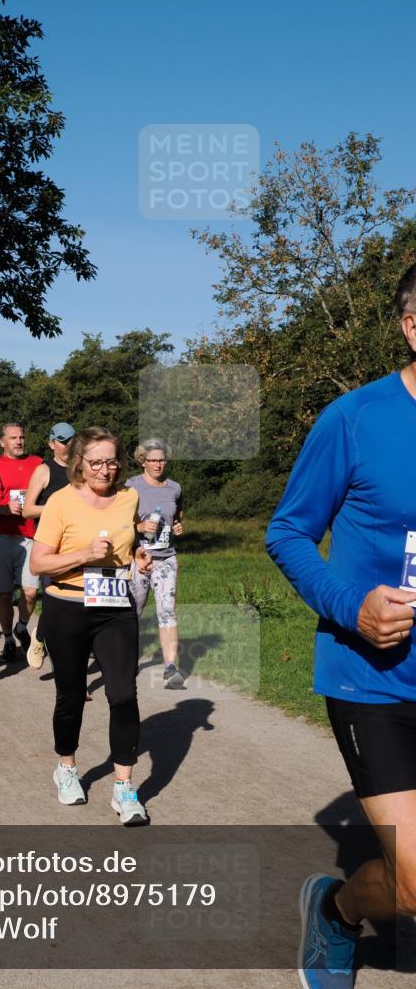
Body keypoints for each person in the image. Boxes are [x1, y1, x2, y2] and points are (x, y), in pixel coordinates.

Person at [266, 263, 416, 989]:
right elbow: (289, 532)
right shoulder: (354, 418)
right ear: (412, 326)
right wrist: (350, 604)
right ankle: (337, 914)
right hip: (373, 677)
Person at [30, 426, 153, 825]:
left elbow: (126, 541)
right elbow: (38, 563)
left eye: (112, 461)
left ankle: (124, 788)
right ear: (79, 464)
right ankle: (66, 767)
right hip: (66, 606)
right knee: (70, 695)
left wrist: (138, 556)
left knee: (122, 694)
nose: (105, 469)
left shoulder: (129, 497)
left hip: (115, 606)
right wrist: (82, 554)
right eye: (97, 462)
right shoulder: (61, 502)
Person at [0, 421, 42, 661]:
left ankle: (21, 627)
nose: (19, 441)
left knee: (31, 591)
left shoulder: (37, 463)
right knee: (4, 594)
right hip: (0, 535)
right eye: (13, 438)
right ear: (2, 442)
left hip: (30, 535)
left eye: (21, 437)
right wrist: (2, 509)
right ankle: (7, 639)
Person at [126, 439, 185, 688]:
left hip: (166, 558)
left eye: (162, 460)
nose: (158, 464)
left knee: (167, 610)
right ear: (143, 462)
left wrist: (180, 526)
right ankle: (125, 659)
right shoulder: (132, 486)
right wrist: (139, 527)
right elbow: (120, 522)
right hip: (139, 558)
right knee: (132, 612)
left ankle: (171, 668)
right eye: (153, 460)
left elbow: (178, 516)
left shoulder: (174, 488)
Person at [22, 421, 76, 668]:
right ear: (51, 443)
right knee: (55, 604)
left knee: (77, 606)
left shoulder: (82, 469)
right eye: (63, 441)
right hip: (49, 547)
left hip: (78, 546)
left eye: (71, 440)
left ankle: (73, 670)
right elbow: (27, 510)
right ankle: (40, 637)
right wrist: (56, 509)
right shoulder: (44, 470)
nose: (68, 446)